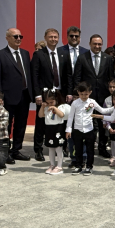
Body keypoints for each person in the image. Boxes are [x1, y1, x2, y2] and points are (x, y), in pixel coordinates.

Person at [0, 28, 33, 163]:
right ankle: (5, 152)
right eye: (15, 36)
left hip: (24, 95)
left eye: (20, 36)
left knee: (21, 125)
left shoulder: (25, 54)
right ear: (7, 38)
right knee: (6, 125)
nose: (18, 39)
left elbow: (28, 74)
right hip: (7, 97)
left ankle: (16, 150)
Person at [31, 28, 73, 162]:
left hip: (61, 93)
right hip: (45, 93)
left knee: (62, 120)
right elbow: (35, 76)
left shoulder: (64, 53)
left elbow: (68, 74)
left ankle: (62, 146)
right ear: (45, 38)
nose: (53, 39)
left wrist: (69, 92)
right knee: (41, 121)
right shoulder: (39, 54)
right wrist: (37, 95)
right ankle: (38, 149)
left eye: (55, 37)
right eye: (50, 37)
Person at [66, 81, 110, 176]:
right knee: (78, 149)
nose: (83, 96)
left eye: (86, 94)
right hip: (77, 129)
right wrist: (68, 129)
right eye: (81, 94)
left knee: (90, 149)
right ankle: (78, 166)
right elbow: (71, 116)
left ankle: (89, 167)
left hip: (89, 129)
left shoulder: (92, 102)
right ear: (78, 92)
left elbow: (102, 110)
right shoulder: (75, 103)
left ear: (90, 92)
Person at [37, 89, 66, 175]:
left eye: (51, 102)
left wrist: (54, 108)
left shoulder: (61, 106)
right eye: (48, 102)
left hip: (58, 128)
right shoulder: (46, 107)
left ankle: (59, 166)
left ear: (56, 99)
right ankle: (52, 164)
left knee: (58, 148)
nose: (49, 104)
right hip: (49, 128)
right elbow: (40, 115)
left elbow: (62, 115)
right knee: (51, 148)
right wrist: (43, 107)